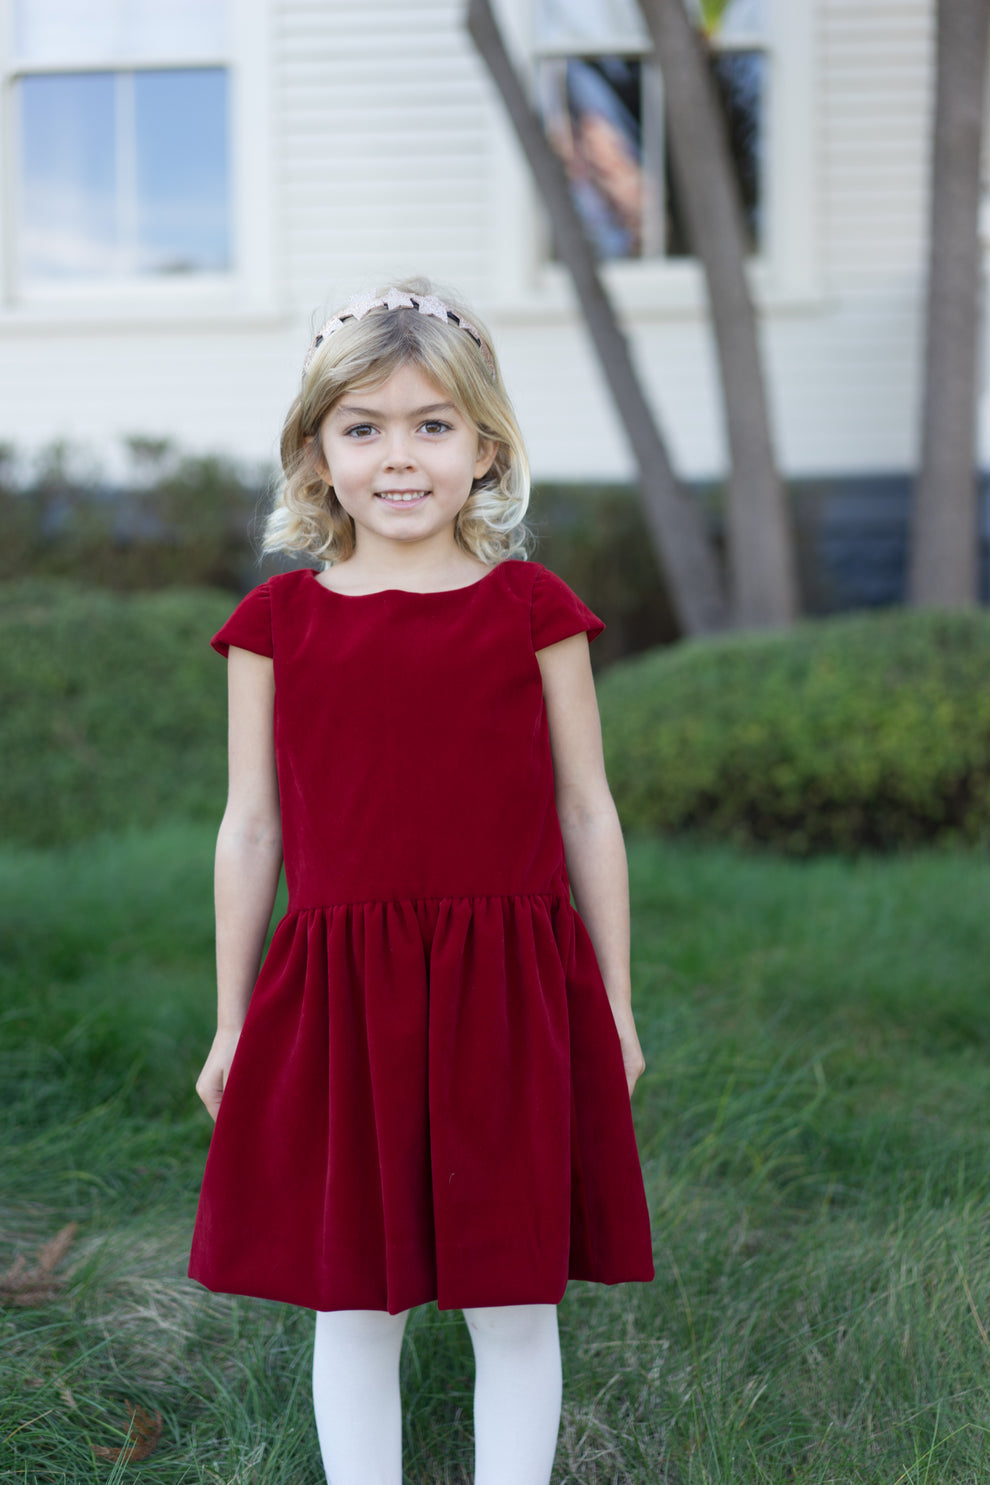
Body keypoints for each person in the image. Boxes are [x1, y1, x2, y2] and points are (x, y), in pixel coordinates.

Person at [188, 280, 654, 1485]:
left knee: (515, 1300)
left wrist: (614, 1002)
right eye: (365, 427)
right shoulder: (278, 623)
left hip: (509, 990)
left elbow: (587, 809)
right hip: (343, 994)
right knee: (356, 1301)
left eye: (432, 424)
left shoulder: (531, 610)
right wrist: (235, 1021)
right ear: (317, 451)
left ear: (485, 445)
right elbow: (250, 830)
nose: (400, 457)